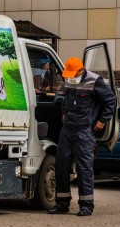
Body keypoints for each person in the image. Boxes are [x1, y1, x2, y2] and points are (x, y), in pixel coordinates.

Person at [48, 56, 116, 216]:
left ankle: (86, 205)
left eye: (73, 74)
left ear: (81, 70)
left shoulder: (95, 81)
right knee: (61, 165)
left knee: (84, 168)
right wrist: (64, 113)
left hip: (84, 130)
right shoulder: (69, 79)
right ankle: (62, 203)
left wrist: (103, 120)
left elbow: (110, 100)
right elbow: (65, 99)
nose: (70, 78)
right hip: (67, 129)